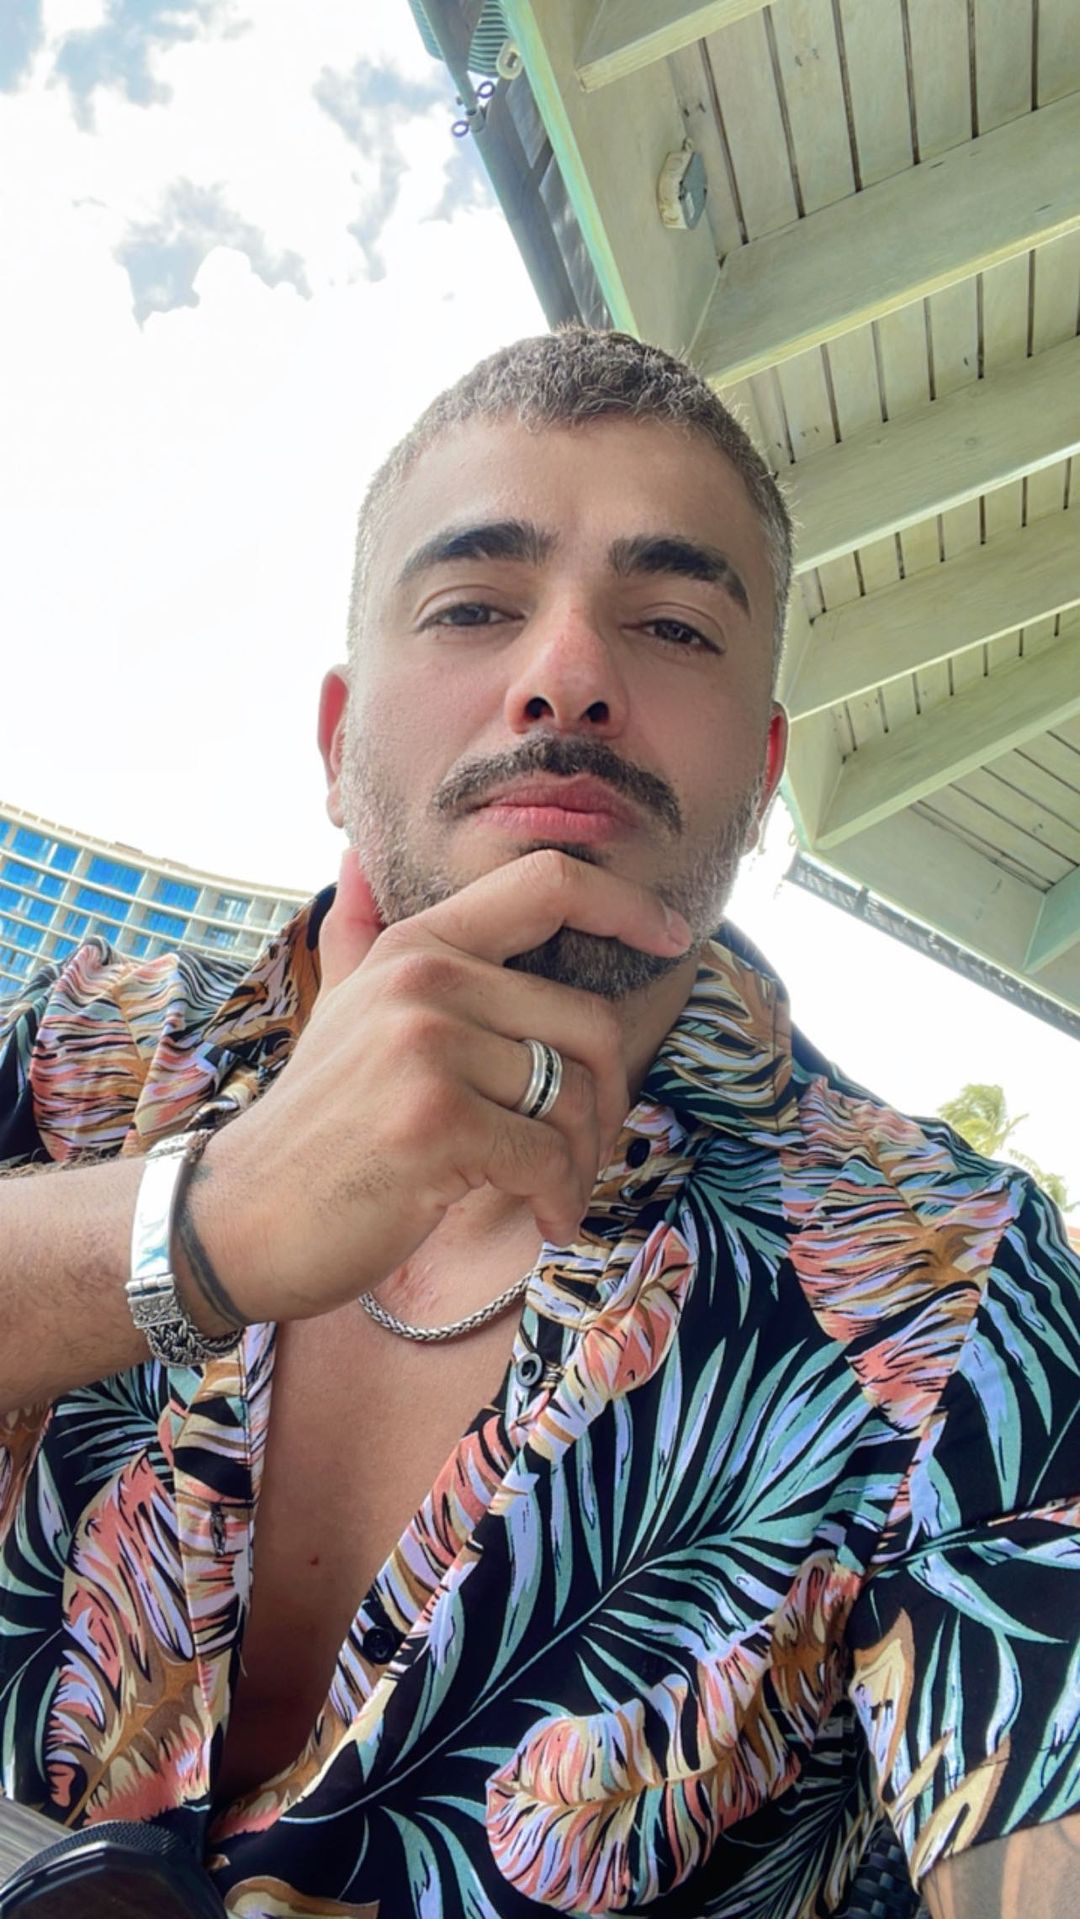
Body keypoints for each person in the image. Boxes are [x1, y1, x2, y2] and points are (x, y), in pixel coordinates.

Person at [0, 329, 1077, 1919]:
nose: (567, 674)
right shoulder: (76, 1063)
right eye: (473, 607)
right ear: (337, 742)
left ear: (762, 773)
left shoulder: (956, 1282)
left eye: (673, 625)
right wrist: (195, 1230)